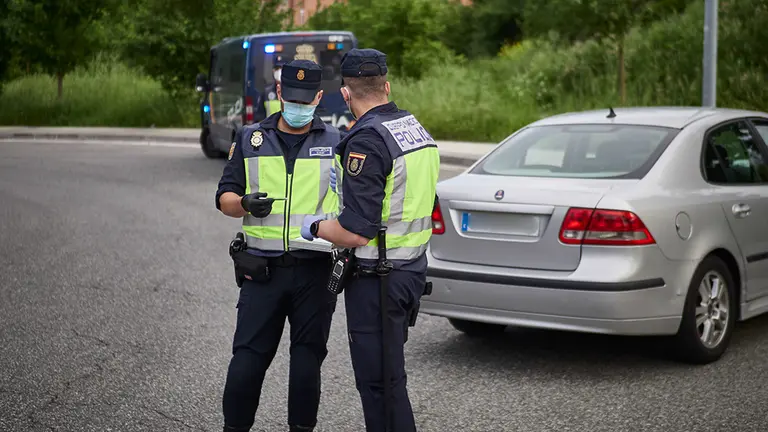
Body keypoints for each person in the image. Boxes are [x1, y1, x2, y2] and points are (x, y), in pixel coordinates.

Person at [299, 48, 440, 432]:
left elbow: (355, 231)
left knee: (379, 385)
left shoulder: (367, 140)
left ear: (345, 94)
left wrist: (315, 226)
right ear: (387, 85)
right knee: (392, 378)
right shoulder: (415, 128)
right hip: (410, 269)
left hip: (378, 277)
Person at [215, 59, 340, 432]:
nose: (298, 105)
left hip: (314, 272)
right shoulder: (250, 138)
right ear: (280, 92)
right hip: (261, 272)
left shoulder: (337, 142)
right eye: (292, 96)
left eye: (307, 99)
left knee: (306, 362)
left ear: (319, 97)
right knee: (247, 362)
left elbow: (351, 203)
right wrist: (244, 204)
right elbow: (224, 197)